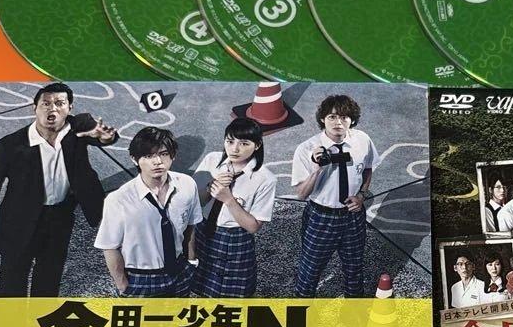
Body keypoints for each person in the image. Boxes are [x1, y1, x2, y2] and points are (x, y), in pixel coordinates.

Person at [0, 81, 118, 296]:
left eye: (60, 103)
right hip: (18, 221)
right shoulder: (11, 145)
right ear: (35, 108)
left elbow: (99, 135)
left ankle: (42, 317)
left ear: (69, 108)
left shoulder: (79, 127)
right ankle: (10, 320)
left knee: (49, 278)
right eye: (46, 103)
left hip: (59, 217)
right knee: (12, 282)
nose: (53, 108)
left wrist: (107, 138)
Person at [94, 126, 200, 297]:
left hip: (179, 270)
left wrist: (191, 261)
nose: (157, 161)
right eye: (149, 156)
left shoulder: (187, 184)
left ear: (173, 155)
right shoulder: (118, 199)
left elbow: (191, 226)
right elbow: (110, 247)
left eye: (163, 154)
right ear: (135, 159)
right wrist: (123, 285)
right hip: (140, 278)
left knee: (178, 313)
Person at [292, 94, 379, 297]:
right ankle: (303, 311)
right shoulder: (306, 149)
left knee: (354, 268)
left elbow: (368, 168)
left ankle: (354, 310)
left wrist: (362, 195)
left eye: (344, 117)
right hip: (321, 217)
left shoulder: (362, 140)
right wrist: (317, 169)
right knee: (310, 270)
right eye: (332, 117)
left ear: (352, 120)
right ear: (323, 119)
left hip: (353, 216)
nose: (338, 122)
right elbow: (301, 194)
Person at [190, 116, 277, 298]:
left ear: (257, 145)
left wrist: (229, 200)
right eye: (230, 141)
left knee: (231, 293)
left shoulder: (265, 179)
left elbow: (253, 227)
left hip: (234, 237)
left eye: (244, 143)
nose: (235, 149)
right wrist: (211, 186)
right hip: (203, 227)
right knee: (200, 282)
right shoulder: (212, 159)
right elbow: (193, 203)